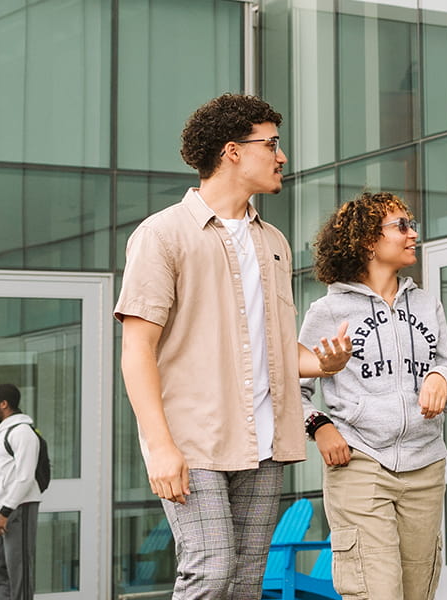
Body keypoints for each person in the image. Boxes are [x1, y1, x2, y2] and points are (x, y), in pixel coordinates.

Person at [115, 93, 351, 598]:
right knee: (211, 569)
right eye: (272, 144)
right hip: (192, 442)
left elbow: (275, 346)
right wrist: (159, 448)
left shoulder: (275, 242)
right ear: (232, 151)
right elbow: (136, 349)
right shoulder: (162, 235)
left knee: (245, 584)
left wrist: (320, 361)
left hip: (264, 444)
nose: (281, 156)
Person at [299, 192, 447, 599]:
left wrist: (443, 379)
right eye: (402, 226)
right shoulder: (327, 311)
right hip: (360, 464)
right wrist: (320, 426)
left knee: (416, 592)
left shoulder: (427, 305)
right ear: (367, 241)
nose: (413, 234)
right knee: (376, 591)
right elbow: (292, 389)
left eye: (412, 225)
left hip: (425, 467)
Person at [0, 383, 42, 600]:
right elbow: (3, 473)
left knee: (19, 570)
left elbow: (25, 477)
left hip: (18, 508)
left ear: (4, 404)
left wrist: (5, 512)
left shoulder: (23, 433)